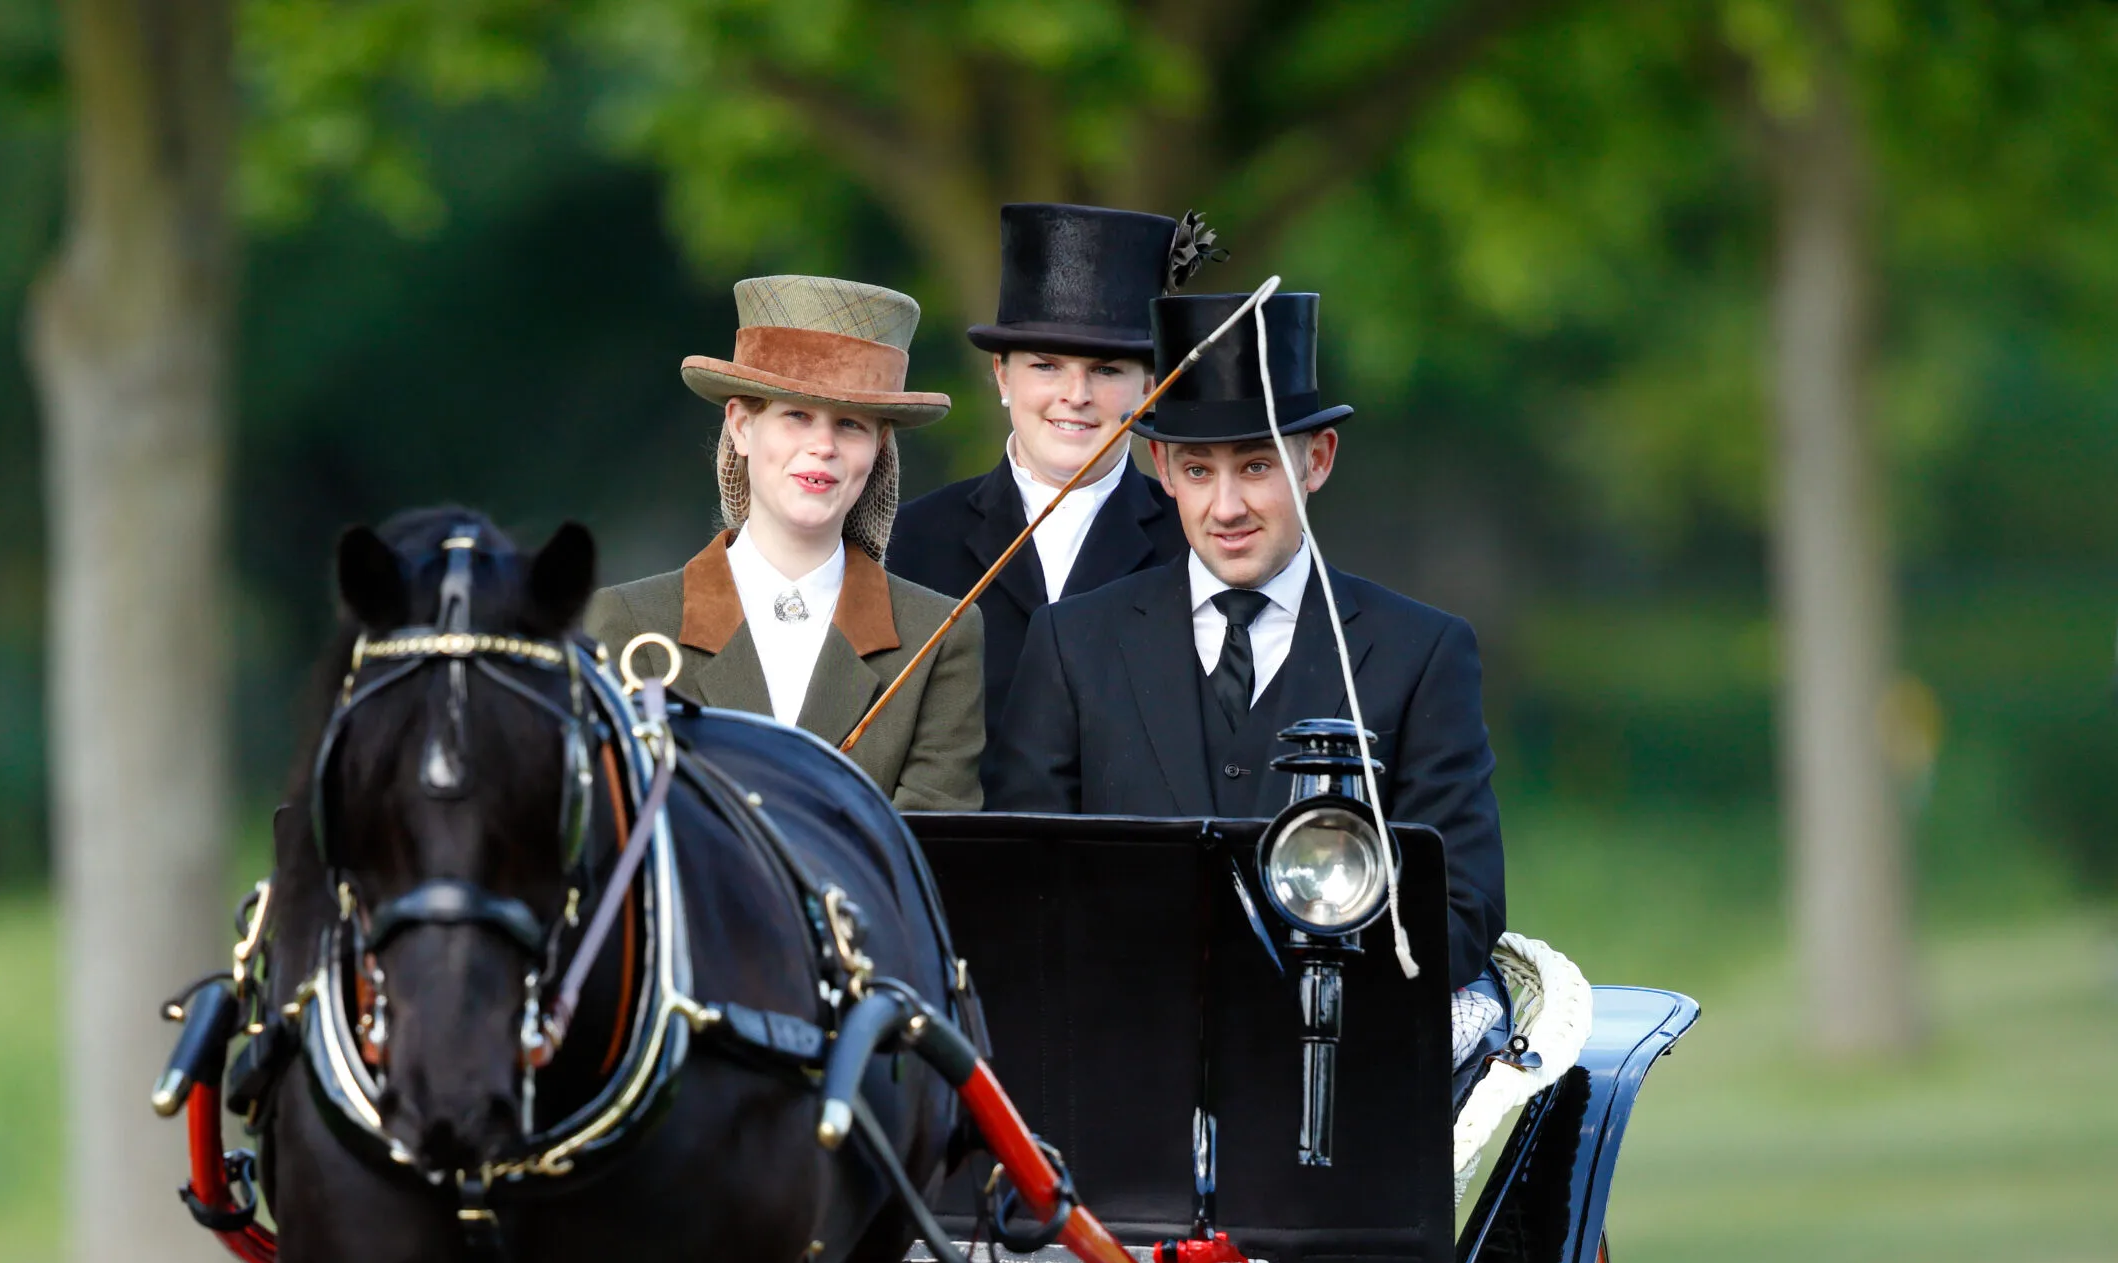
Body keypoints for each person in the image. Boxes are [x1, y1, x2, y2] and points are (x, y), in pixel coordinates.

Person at [990, 290, 1507, 992]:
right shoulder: (1073, 644)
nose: (1226, 507)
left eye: (1257, 466)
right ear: (1165, 470)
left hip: (1337, 1073)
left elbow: (1463, 912)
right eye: (1199, 470)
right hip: (1126, 1067)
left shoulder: (1423, 652)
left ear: (1317, 460)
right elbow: (1020, 886)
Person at [584, 276, 983, 811]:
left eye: (850, 424)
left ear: (879, 446)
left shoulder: (939, 638)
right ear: (742, 426)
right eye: (796, 415)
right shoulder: (626, 622)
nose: (822, 446)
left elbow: (932, 854)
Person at [887, 204, 1190, 745]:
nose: (1075, 396)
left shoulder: (1193, 544)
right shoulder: (908, 542)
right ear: (1001, 375)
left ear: (1150, 387)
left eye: (1105, 370)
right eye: (1046, 365)